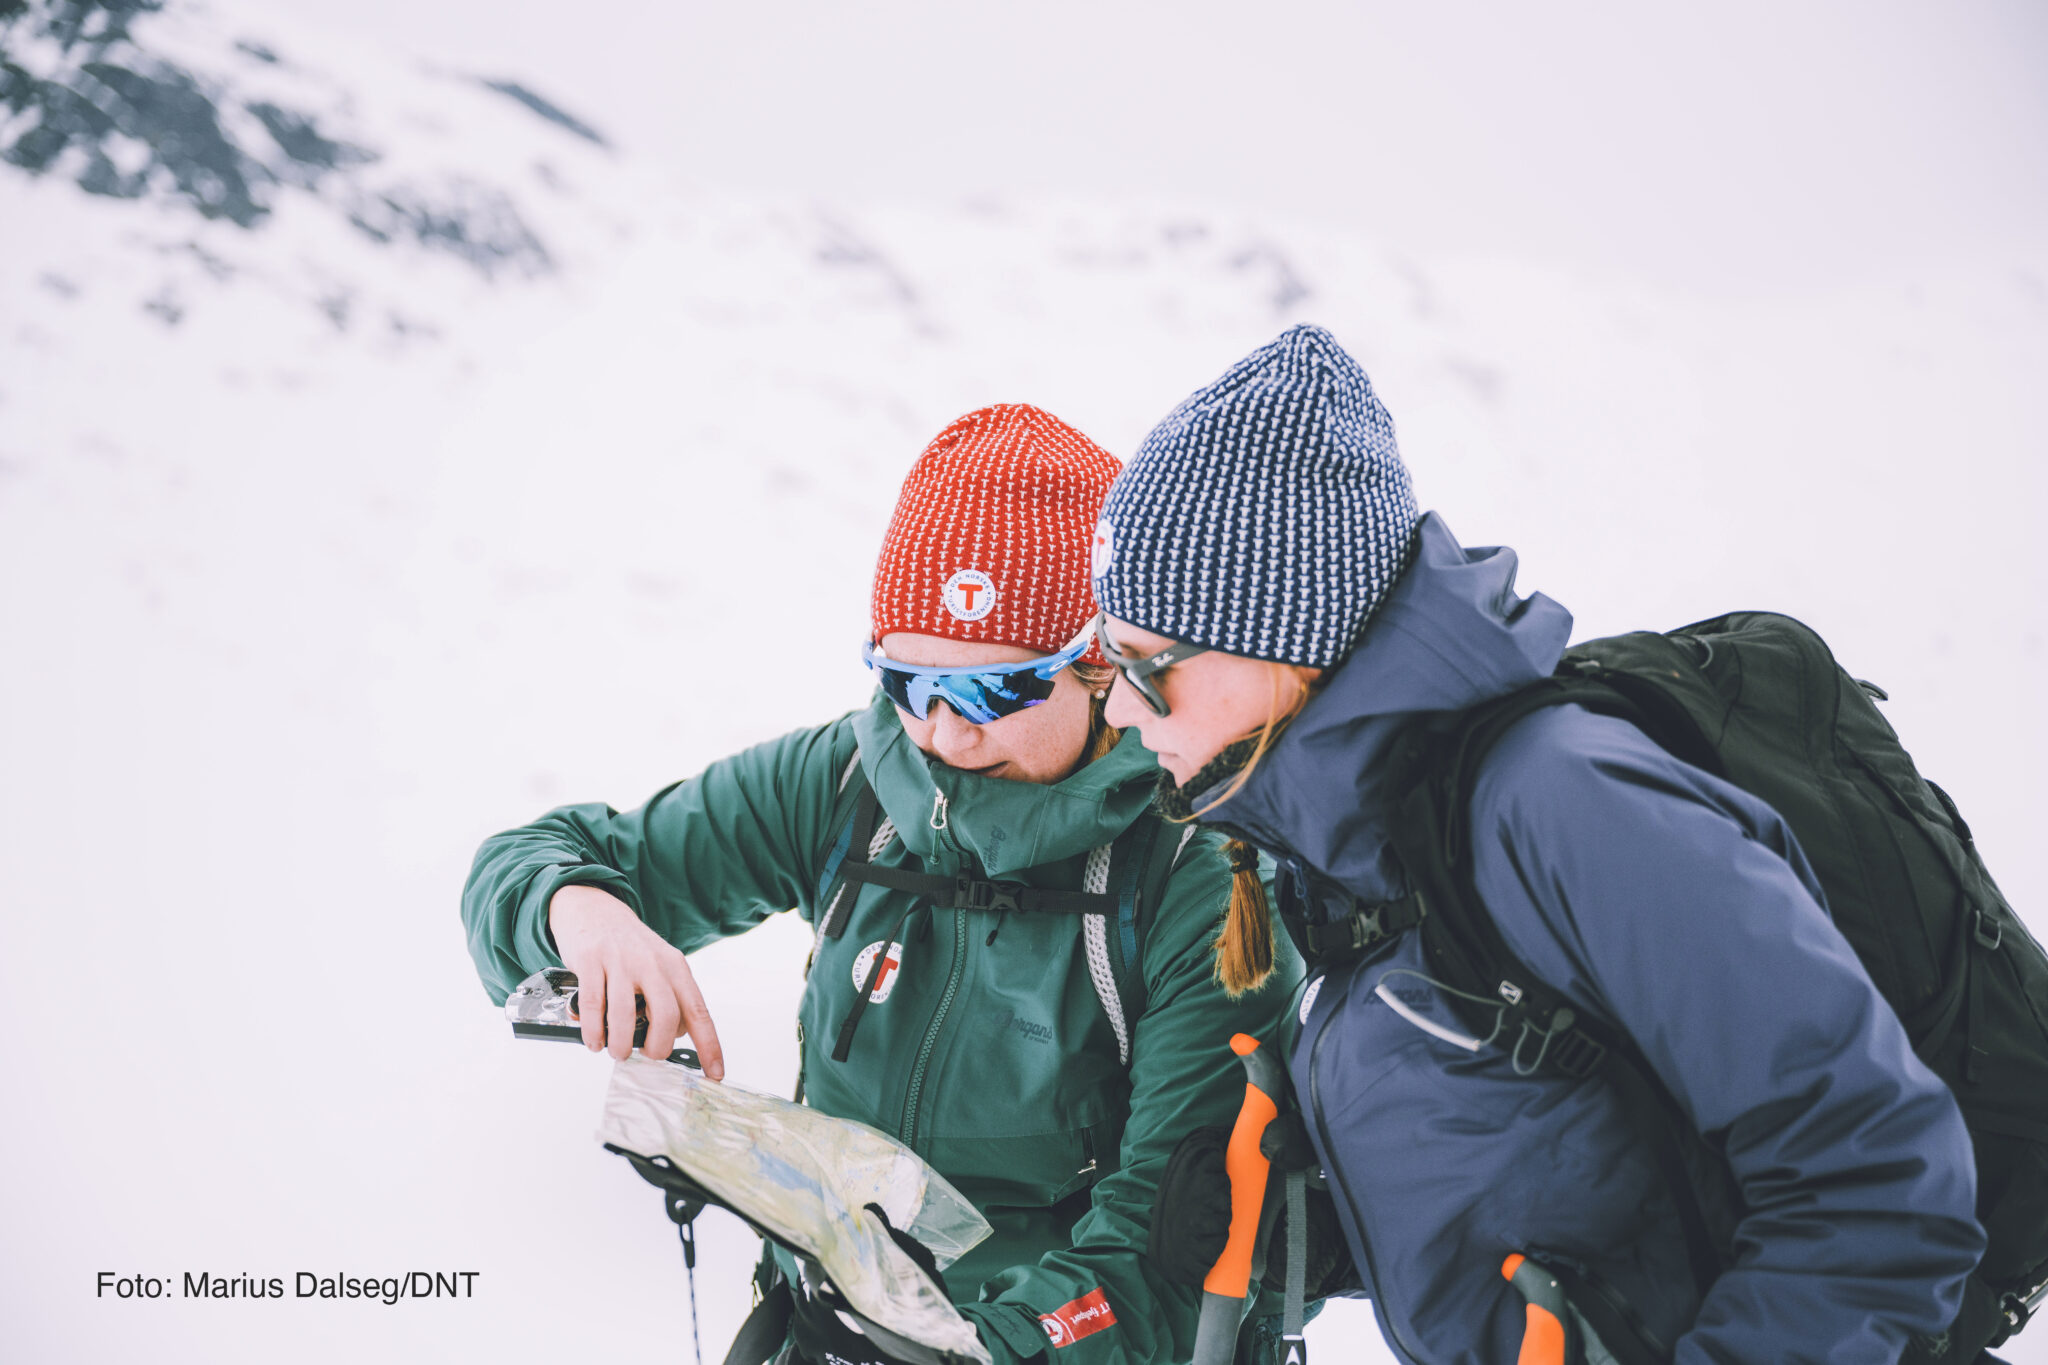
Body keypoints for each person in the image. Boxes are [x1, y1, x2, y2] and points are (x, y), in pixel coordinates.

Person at [1088, 325, 1988, 1363]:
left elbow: (1880, 1179)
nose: (1115, 705)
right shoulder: (1358, 845)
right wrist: (1332, 1235)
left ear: (1289, 642)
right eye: (1103, 653)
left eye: (1146, 662)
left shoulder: (1563, 806)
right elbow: (1593, 1174)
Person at [461, 404, 1303, 1365]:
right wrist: (584, 909)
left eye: (995, 690)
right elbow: (533, 856)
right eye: (907, 681)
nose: (944, 733)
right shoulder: (852, 782)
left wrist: (958, 1347)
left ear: (1098, 663)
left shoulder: (1207, 871)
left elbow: (1171, 1247)